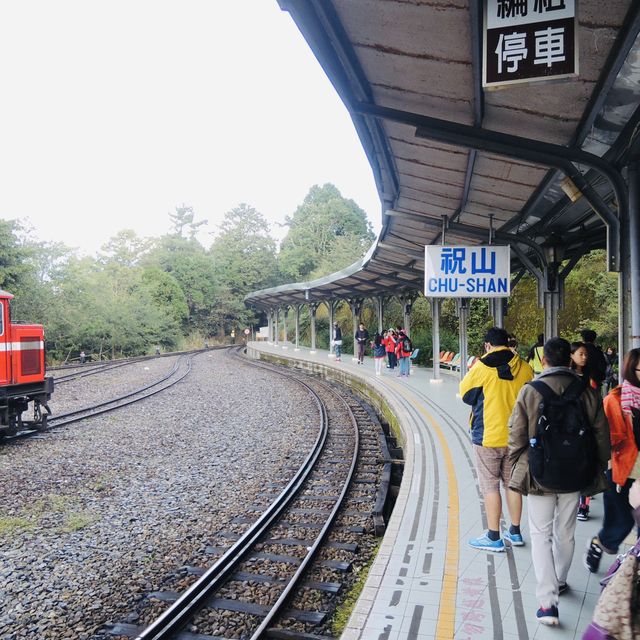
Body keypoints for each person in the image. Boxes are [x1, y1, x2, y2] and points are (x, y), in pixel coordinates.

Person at [508, 337, 610, 626]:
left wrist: (514, 463)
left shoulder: (531, 390)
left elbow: (516, 433)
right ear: (570, 360)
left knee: (541, 534)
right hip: (576, 471)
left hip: (540, 471)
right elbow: (601, 432)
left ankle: (548, 602)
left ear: (544, 361)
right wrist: (599, 465)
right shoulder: (586, 391)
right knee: (565, 531)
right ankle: (561, 580)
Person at [460, 327, 534, 553]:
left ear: (487, 345)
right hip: (516, 437)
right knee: (512, 484)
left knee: (490, 485)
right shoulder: (525, 368)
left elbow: (466, 395)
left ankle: (493, 536)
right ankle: (515, 531)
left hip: (488, 437)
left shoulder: (481, 367)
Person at [584, 348, 640, 574]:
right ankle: (599, 544)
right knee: (621, 524)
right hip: (622, 472)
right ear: (631, 369)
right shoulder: (615, 400)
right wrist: (612, 472)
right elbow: (607, 441)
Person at [570, 341, 592, 521]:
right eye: (580, 354)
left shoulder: (589, 376)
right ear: (571, 356)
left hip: (587, 426)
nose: (584, 357)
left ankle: (583, 506)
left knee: (586, 466)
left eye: (585, 354)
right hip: (571, 427)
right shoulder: (567, 376)